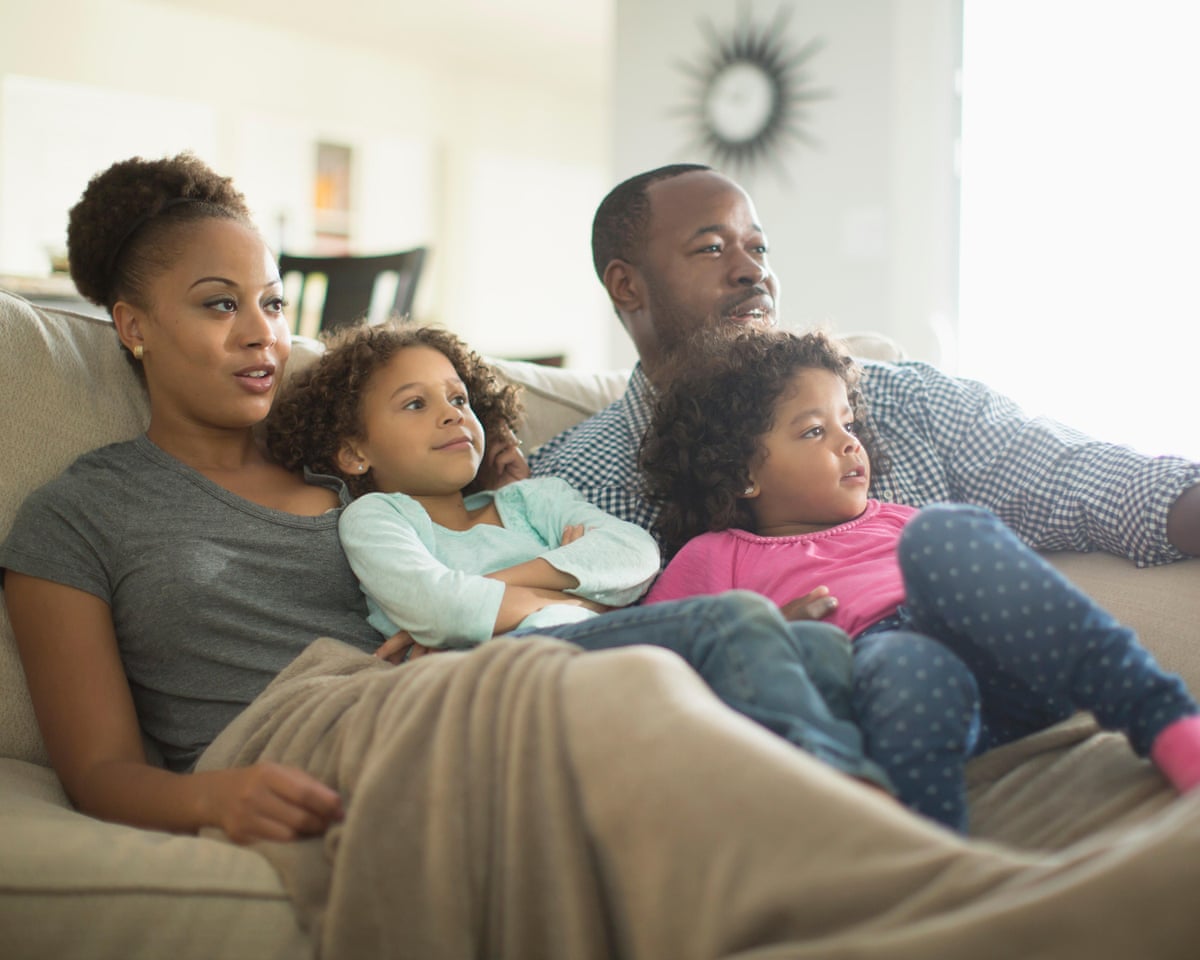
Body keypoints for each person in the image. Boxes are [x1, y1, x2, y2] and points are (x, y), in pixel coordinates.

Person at [7, 153, 1200, 958]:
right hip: (337, 717)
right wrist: (209, 796)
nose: (266, 334)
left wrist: (509, 569)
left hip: (459, 680)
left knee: (717, 652)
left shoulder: (367, 465)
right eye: (221, 305)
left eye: (272, 301)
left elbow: (543, 536)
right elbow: (102, 764)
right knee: (638, 677)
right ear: (130, 323)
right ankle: (988, 911)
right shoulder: (83, 512)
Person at [263, 320, 891, 790]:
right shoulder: (379, 517)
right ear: (354, 453)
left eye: (458, 399)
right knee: (737, 618)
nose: (452, 417)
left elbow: (634, 556)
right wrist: (570, 589)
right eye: (415, 404)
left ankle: (807, 789)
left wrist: (514, 589)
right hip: (502, 676)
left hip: (597, 651)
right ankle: (845, 793)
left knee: (818, 647)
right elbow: (442, 609)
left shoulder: (536, 498)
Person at [638, 327, 1200, 830]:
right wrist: (760, 630)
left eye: (847, 423)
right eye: (813, 432)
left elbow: (990, 576)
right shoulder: (715, 557)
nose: (848, 442)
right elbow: (657, 661)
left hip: (1008, 662)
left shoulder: (901, 519)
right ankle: (935, 861)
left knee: (945, 534)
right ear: (743, 475)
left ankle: (1165, 721)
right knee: (905, 663)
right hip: (893, 687)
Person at [527, 163, 1200, 579]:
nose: (751, 271)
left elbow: (1086, 480)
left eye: (759, 248)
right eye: (711, 248)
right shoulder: (563, 485)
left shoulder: (909, 403)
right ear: (627, 287)